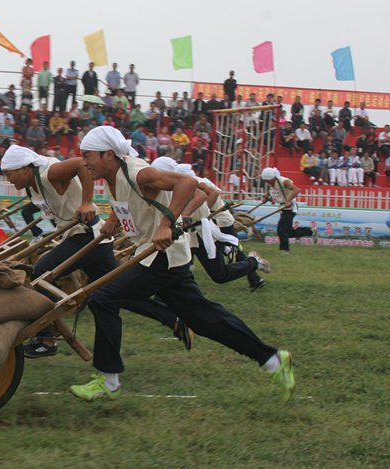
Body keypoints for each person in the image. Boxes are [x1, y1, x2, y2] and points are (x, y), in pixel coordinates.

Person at [72, 126, 295, 402]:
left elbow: (188, 184)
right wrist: (113, 224)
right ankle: (272, 358)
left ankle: (109, 379)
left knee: (103, 298)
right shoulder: (110, 177)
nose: (84, 162)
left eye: (87, 155)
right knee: (205, 320)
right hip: (161, 255)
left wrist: (167, 224)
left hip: (161, 255)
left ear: (108, 154)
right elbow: (129, 207)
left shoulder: (137, 172)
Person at [0, 144, 194, 358]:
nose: (8, 179)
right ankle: (173, 319)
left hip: (86, 237)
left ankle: (47, 340)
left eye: (9, 173)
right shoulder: (32, 184)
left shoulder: (49, 172)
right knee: (119, 294)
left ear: (25, 168)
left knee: (40, 273)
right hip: (89, 241)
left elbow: (80, 165)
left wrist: (87, 203)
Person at [151, 158, 269, 291]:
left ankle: (254, 266)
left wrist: (194, 214)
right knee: (178, 266)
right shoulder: (170, 186)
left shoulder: (194, 183)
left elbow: (208, 195)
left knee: (227, 265)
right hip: (192, 232)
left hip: (214, 225)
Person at [260, 167, 316, 253]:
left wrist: (288, 200)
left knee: (281, 230)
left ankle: (285, 250)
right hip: (283, 208)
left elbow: (297, 189)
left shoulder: (284, 181)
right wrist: (266, 197)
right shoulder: (271, 183)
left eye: (268, 180)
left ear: (273, 178)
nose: (267, 182)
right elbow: (272, 190)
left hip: (290, 208)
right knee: (288, 232)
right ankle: (310, 231)